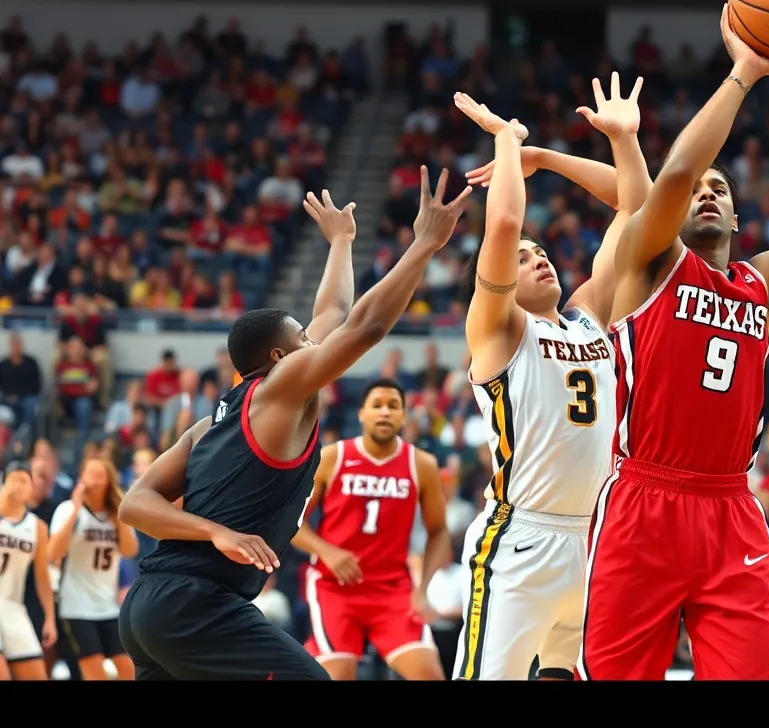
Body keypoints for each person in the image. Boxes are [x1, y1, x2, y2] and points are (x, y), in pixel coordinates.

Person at [579, 3, 769, 681]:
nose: (707, 194)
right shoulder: (647, 260)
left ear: (740, 217)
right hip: (643, 501)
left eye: (722, 189)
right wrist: (745, 72)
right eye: (698, 192)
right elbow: (682, 170)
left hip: (731, 507)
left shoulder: (765, 281)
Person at [117, 180, 470, 680]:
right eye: (303, 338)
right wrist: (425, 245)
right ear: (279, 359)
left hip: (149, 609)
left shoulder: (207, 424)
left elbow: (136, 503)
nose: (314, 338)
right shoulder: (282, 390)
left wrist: (341, 243)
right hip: (196, 606)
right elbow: (364, 328)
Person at [448, 74, 649, 680]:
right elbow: (506, 223)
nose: (538, 258)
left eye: (544, 253)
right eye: (526, 258)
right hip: (521, 540)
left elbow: (638, 211)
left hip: (596, 538)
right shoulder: (500, 330)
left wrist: (597, 145)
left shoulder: (590, 319)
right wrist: (506, 139)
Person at [293, 378, 449, 681]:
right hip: (334, 587)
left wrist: (423, 589)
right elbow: (292, 524)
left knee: (429, 673)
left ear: (404, 415)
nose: (385, 412)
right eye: (377, 405)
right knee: (339, 674)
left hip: (392, 590)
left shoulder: (423, 465)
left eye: (394, 406)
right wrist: (327, 551)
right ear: (362, 413)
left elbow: (439, 531)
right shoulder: (333, 458)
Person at [47, 456, 139, 680]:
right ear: (81, 477)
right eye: (91, 474)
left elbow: (129, 550)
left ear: (109, 480)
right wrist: (75, 509)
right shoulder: (67, 509)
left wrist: (119, 516)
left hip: (108, 605)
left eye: (101, 475)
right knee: (94, 671)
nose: (95, 481)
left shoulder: (116, 515)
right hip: (76, 605)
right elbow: (52, 553)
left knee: (128, 669)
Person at [0, 461, 56, 680]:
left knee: (37, 675)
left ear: (32, 488)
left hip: (13, 607)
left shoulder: (38, 527)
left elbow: (42, 576)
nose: (18, 485)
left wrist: (50, 618)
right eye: (13, 479)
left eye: (24, 480)